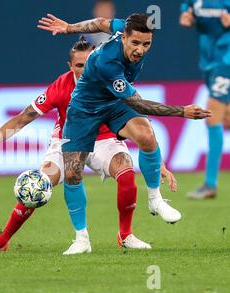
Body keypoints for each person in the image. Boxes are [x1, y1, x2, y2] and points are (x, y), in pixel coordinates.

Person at [0, 39, 180, 255]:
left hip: (103, 140)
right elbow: (22, 119)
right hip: (67, 141)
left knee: (126, 172)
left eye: (89, 63)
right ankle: (3, 241)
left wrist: (158, 163)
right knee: (37, 186)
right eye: (79, 65)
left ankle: (126, 236)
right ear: (70, 66)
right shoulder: (60, 87)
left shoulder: (111, 79)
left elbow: (139, 119)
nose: (86, 69)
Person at [36, 13, 211, 246]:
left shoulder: (122, 26)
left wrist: (69, 27)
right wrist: (181, 111)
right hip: (84, 108)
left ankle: (155, 199)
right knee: (72, 173)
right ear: (124, 38)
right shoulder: (108, 63)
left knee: (146, 135)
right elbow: (137, 103)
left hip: (113, 104)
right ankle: (81, 239)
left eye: (146, 44)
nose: (140, 49)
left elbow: (99, 23)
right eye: (135, 43)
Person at [180, 0, 230, 199]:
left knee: (212, 115)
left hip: (226, 59)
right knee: (225, 115)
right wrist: (187, 18)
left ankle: (210, 184)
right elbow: (187, 12)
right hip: (208, 60)